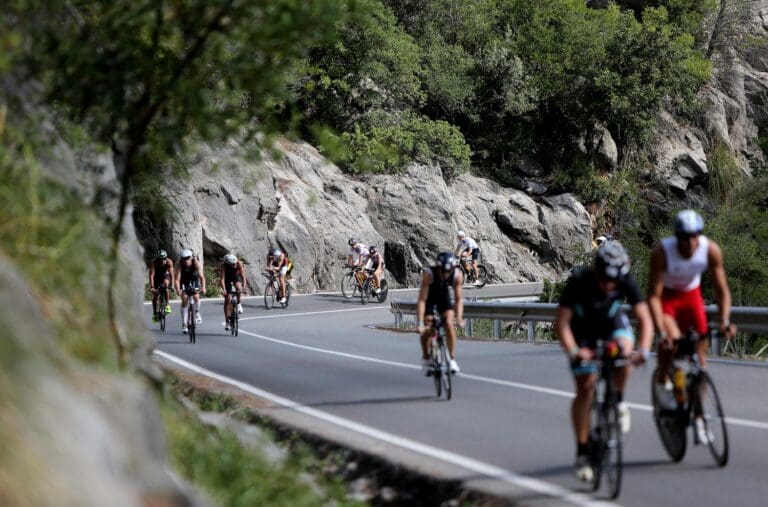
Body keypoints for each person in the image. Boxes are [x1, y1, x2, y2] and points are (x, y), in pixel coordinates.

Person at [555, 241, 653, 483]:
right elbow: (562, 323)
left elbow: (645, 319)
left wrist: (644, 349)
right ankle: (582, 450)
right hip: (582, 331)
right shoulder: (578, 282)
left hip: (611, 324)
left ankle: (617, 401)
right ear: (596, 270)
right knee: (586, 387)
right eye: (604, 279)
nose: (609, 285)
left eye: (614, 280)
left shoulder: (625, 279)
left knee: (624, 351)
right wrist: (575, 351)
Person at [647, 210, 736, 442]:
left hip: (691, 298)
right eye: (685, 237)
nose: (690, 242)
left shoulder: (711, 250)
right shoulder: (662, 253)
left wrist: (725, 320)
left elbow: (721, 290)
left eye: (695, 235)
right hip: (667, 300)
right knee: (673, 344)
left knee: (700, 362)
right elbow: (653, 297)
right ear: (677, 237)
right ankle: (661, 381)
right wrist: (661, 331)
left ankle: (698, 416)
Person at [416, 252, 465, 374]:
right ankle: (426, 357)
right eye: (442, 271)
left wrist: (459, 318)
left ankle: (452, 360)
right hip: (429, 297)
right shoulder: (429, 274)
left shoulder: (457, 275)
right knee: (428, 324)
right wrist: (421, 323)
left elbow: (458, 300)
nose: (445, 274)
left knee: (449, 323)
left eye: (448, 272)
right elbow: (422, 300)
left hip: (443, 295)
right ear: (438, 267)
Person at [174, 249, 206, 333]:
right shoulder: (179, 264)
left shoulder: (196, 263)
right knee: (184, 299)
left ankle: (197, 312)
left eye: (187, 258)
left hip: (194, 280)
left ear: (191, 257)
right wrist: (178, 290)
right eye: (183, 258)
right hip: (183, 281)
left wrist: (203, 287)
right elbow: (177, 280)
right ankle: (184, 323)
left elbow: (202, 277)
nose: (185, 260)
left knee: (196, 297)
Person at [220, 253, 247, 330]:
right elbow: (222, 279)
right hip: (227, 278)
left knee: (238, 287)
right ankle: (227, 321)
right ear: (228, 263)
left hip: (236, 276)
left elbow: (243, 276)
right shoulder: (223, 265)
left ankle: (238, 303)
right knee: (227, 299)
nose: (235, 265)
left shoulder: (238, 263)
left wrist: (244, 287)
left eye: (235, 263)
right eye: (232, 264)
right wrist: (224, 289)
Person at [149, 249, 174, 322]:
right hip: (156, 276)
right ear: (158, 258)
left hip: (164, 275)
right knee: (155, 296)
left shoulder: (169, 262)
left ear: (166, 258)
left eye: (164, 259)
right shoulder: (154, 262)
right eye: (160, 259)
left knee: (166, 285)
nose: (162, 261)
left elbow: (172, 275)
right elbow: (151, 275)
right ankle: (154, 314)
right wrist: (152, 287)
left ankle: (167, 305)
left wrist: (172, 286)